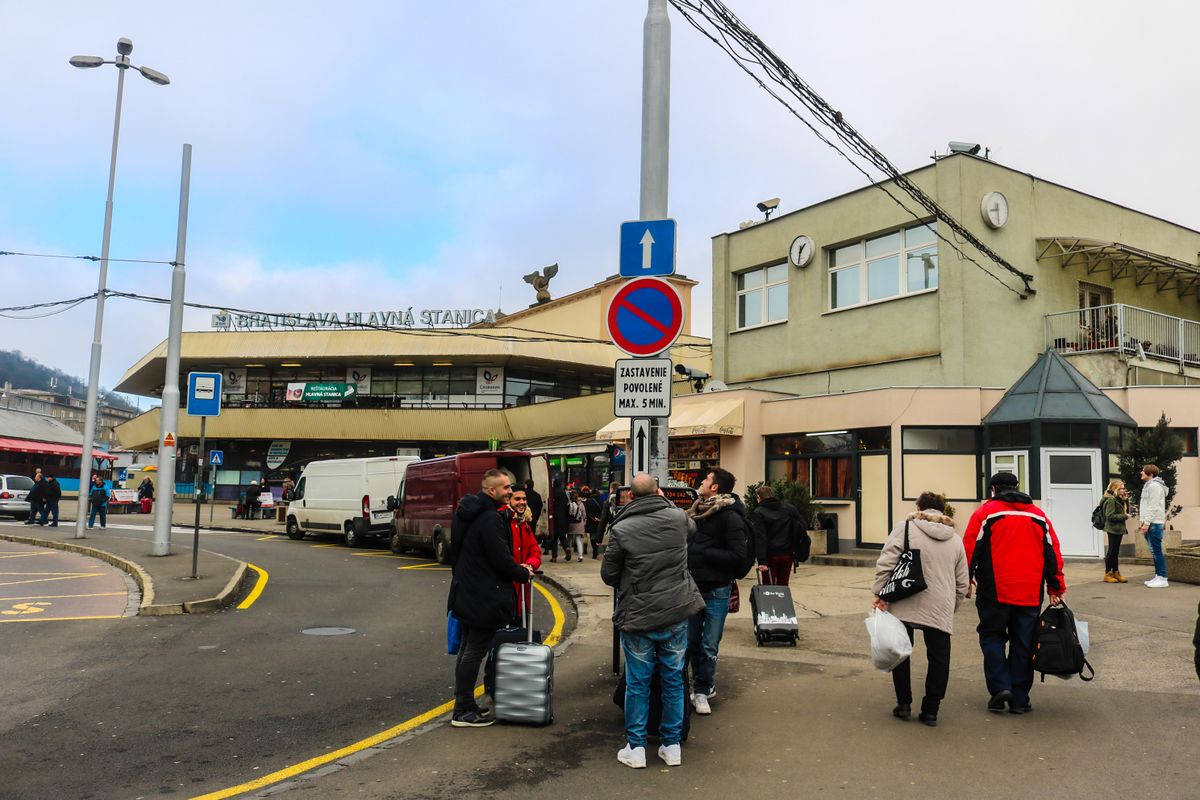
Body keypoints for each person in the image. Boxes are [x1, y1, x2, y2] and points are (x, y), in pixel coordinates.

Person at [601, 473, 706, 769]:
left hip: (639, 614)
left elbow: (609, 575)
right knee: (674, 679)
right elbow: (692, 528)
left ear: (630, 497)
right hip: (675, 611)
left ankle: (635, 748)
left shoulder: (621, 528)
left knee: (638, 682)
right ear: (659, 492)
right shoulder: (677, 519)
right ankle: (671, 746)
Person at [963, 471, 1066, 715]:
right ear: (1017, 487)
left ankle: (1000, 688)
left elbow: (969, 548)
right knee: (1024, 643)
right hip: (1029, 592)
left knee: (992, 636)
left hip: (994, 591)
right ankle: (1020, 698)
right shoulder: (1038, 516)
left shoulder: (985, 513)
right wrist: (1056, 588)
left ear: (993, 490)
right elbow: (1052, 554)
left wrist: (965, 579)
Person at [871, 492, 968, 726]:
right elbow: (962, 582)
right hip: (941, 604)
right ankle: (931, 710)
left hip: (905, 596)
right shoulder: (955, 539)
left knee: (901, 650)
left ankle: (904, 704)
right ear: (942, 510)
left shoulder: (905, 528)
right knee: (939, 658)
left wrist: (879, 592)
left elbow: (887, 561)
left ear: (920, 507)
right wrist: (950, 607)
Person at [447, 469, 533, 728]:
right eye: (506, 487)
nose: (510, 491)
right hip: (484, 594)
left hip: (466, 590)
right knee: (474, 651)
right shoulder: (490, 518)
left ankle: (463, 703)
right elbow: (500, 559)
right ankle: (462, 709)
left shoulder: (466, 513)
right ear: (491, 490)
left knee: (467, 649)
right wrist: (522, 572)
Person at [684, 467, 747, 716]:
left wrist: (702, 553)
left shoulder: (730, 517)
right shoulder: (695, 510)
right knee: (688, 643)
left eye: (706, 479)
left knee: (709, 645)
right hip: (692, 587)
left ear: (715, 488)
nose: (701, 481)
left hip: (717, 589)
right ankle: (687, 686)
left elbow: (738, 557)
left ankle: (703, 690)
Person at [749, 485, 802, 586]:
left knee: (769, 587)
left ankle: (770, 602)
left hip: (770, 556)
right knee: (783, 585)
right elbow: (799, 528)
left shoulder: (759, 512)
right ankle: (783, 601)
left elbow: (761, 537)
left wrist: (762, 561)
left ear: (759, 497)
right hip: (787, 554)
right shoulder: (789, 509)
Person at [506, 483, 543, 617]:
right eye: (517, 499)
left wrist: (530, 565)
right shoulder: (503, 522)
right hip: (506, 587)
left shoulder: (524, 523)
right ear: (508, 500)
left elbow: (535, 551)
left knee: (521, 625)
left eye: (524, 499)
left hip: (522, 586)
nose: (522, 502)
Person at [1138, 464, 1169, 588]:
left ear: (1150, 474)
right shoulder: (1149, 485)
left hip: (1154, 523)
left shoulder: (1154, 486)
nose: (1141, 472)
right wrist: (1144, 522)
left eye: (1143, 471)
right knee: (1154, 550)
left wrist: (1146, 523)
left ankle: (1162, 578)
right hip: (1151, 522)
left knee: (1156, 551)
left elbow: (1153, 506)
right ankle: (1158, 576)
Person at [1101, 479, 1131, 583]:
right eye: (1122, 488)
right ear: (1115, 489)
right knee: (1111, 551)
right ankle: (1108, 573)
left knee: (1115, 552)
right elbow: (1110, 515)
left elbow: (1127, 511)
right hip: (1112, 528)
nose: (1124, 490)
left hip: (1119, 528)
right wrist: (1124, 516)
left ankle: (1116, 572)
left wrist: (1125, 500)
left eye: (1124, 488)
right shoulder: (1111, 500)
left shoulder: (1119, 499)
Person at [550, 480, 571, 562]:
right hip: (563, 518)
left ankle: (554, 557)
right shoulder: (564, 492)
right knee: (562, 536)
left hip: (554, 518)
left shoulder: (552, 492)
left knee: (554, 538)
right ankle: (567, 548)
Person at [565, 489, 587, 562]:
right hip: (579, 524)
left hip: (570, 524)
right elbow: (584, 514)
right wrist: (584, 523)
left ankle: (567, 554)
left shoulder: (568, 504)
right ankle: (580, 556)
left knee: (569, 540)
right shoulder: (581, 504)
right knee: (578, 539)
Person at [583, 487, 603, 559]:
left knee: (592, 537)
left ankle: (595, 550)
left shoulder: (588, 501)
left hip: (592, 521)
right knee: (598, 536)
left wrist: (593, 518)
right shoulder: (602, 500)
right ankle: (596, 550)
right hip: (600, 521)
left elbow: (586, 511)